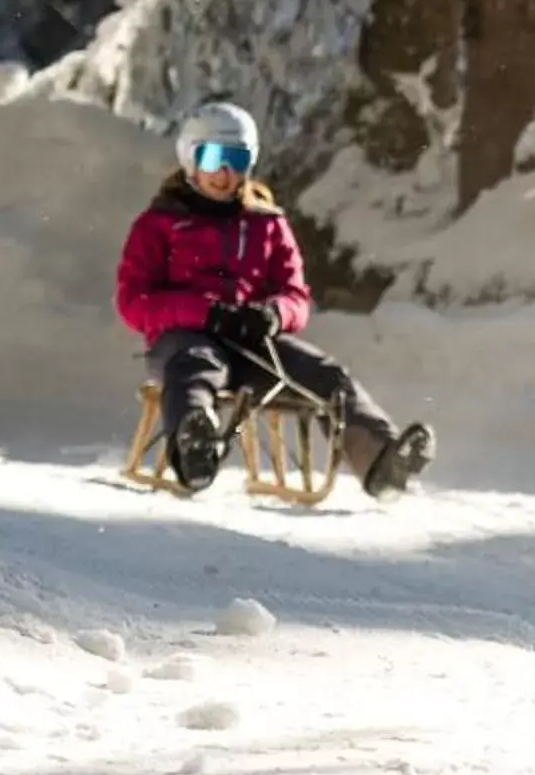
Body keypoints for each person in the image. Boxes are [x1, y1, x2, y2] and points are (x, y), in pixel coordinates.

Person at [114, 101, 436, 501]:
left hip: (252, 344)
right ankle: (195, 446)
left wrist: (272, 314)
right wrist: (206, 313)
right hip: (184, 340)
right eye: (213, 158)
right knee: (196, 366)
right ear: (190, 157)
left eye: (237, 159)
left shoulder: (266, 223)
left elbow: (295, 295)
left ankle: (382, 462)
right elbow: (134, 301)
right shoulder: (159, 223)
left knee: (325, 374)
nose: (224, 173)